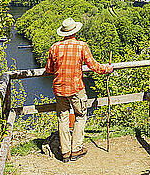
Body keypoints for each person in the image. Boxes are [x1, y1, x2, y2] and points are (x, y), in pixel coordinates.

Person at [45, 17, 114, 162]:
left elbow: (49, 69)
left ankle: (65, 152)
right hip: (76, 88)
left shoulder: (54, 47)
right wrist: (107, 69)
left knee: (62, 118)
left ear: (63, 33)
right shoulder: (81, 46)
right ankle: (76, 149)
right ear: (75, 31)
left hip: (59, 88)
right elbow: (93, 66)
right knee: (80, 116)